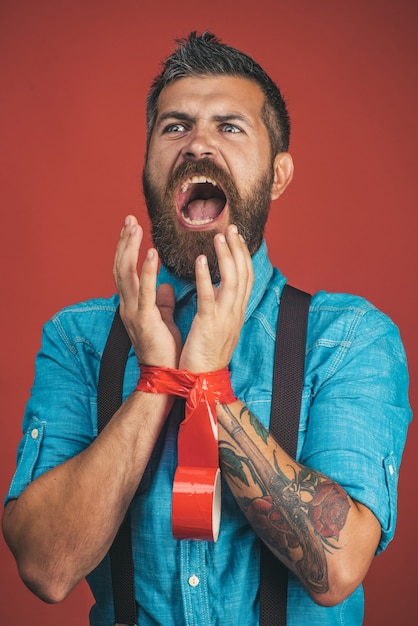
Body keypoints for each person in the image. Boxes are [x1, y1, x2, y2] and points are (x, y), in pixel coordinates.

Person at [2, 31, 412, 625]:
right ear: (147, 166)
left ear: (278, 174)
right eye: (175, 127)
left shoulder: (349, 338)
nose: (197, 144)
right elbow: (45, 567)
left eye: (229, 127)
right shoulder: (78, 339)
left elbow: (337, 566)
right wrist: (154, 383)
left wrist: (210, 387)